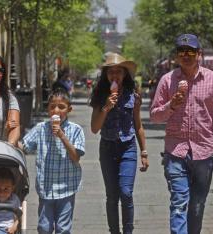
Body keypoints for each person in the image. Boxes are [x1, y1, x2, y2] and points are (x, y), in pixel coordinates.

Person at [150, 34, 213, 234]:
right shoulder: (167, 80)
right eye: (181, 52)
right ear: (176, 56)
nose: (186, 55)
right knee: (179, 202)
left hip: (203, 152)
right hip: (175, 152)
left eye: (190, 51)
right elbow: (154, 116)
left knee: (197, 205)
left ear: (199, 54)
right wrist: (172, 106)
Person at [89, 53, 149, 234]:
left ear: (125, 75)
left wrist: (144, 152)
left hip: (128, 148)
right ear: (106, 75)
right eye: (111, 72)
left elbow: (138, 125)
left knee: (126, 192)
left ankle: (128, 231)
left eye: (119, 72)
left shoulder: (133, 96)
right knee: (112, 196)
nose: (115, 76)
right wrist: (106, 107)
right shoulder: (100, 96)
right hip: (107, 147)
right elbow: (94, 128)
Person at [21, 88, 85, 234]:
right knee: (44, 227)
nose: (56, 110)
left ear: (69, 109)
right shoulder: (40, 129)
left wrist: (62, 136)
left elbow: (76, 157)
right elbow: (24, 146)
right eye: (52, 107)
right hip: (46, 188)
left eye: (61, 107)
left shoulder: (76, 130)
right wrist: (12, 137)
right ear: (48, 109)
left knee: (63, 228)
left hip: (67, 186)